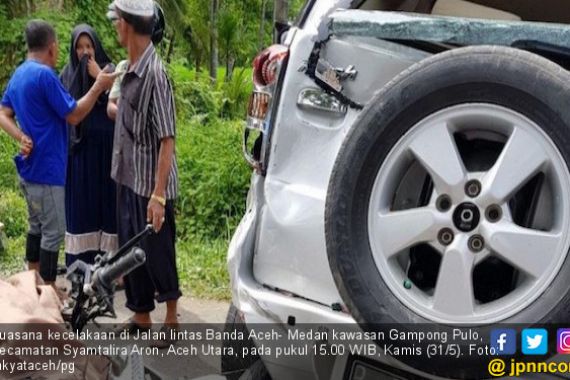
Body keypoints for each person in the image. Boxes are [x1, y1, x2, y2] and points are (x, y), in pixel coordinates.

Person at [0, 20, 117, 289]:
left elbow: (3, 113)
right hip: (48, 170)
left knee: (36, 228)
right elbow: (74, 115)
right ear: (53, 48)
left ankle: (34, 285)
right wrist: (99, 85)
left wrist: (21, 136)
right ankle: (49, 292)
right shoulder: (45, 76)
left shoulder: (19, 74)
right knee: (52, 234)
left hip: (28, 171)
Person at [109, 0, 180, 339]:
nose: (114, 26)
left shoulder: (155, 73)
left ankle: (171, 319)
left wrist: (159, 195)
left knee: (158, 253)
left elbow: (167, 139)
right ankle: (141, 318)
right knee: (129, 251)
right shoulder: (129, 68)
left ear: (129, 24)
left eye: (117, 20)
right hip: (126, 176)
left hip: (151, 184)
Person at [60, 25, 119, 267]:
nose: (85, 53)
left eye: (89, 46)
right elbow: (66, 110)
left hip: (106, 151)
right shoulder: (66, 75)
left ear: (96, 46)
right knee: (82, 207)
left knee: (107, 206)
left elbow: (120, 98)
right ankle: (79, 265)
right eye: (80, 48)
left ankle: (110, 267)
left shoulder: (110, 70)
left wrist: (99, 77)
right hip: (80, 152)